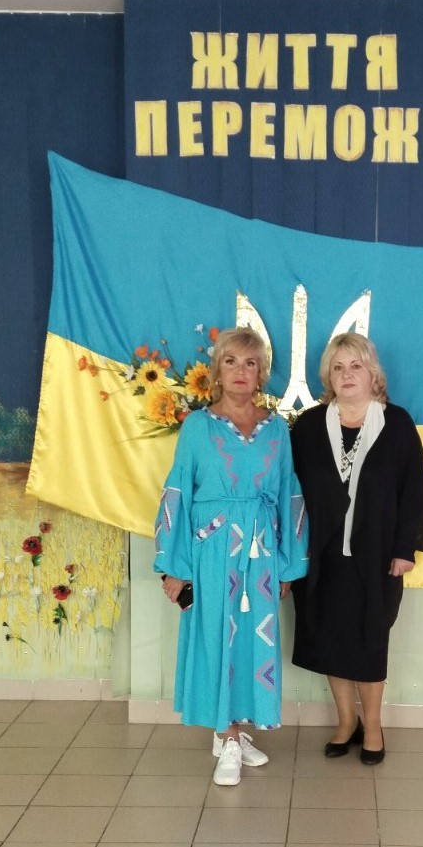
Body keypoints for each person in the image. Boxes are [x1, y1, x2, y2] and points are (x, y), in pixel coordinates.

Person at [155, 327, 308, 787]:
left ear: (261, 373)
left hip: (261, 554)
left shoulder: (276, 429)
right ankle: (226, 737)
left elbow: (289, 494)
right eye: (231, 362)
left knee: (253, 643)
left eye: (250, 363)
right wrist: (174, 566)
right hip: (213, 551)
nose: (241, 371)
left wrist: (287, 563)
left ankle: (236, 731)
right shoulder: (197, 427)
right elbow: (178, 492)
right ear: (217, 372)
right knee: (217, 637)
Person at [290, 332, 423, 765]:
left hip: (377, 556)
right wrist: (290, 551)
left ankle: (372, 727)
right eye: (338, 368)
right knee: (331, 639)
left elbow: (414, 491)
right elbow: (290, 493)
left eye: (355, 366)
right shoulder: (308, 426)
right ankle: (346, 722)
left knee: (370, 640)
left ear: (373, 374)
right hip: (321, 556)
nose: (347, 374)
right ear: (328, 378)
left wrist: (405, 548)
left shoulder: (397, 423)